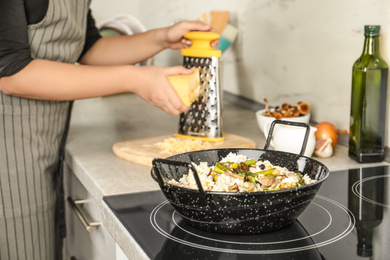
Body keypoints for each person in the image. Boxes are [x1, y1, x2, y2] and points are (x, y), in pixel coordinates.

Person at [0, 1, 217, 259]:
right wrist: (135, 79)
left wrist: (161, 38)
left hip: (41, 142)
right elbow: (10, 72)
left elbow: (90, 47)